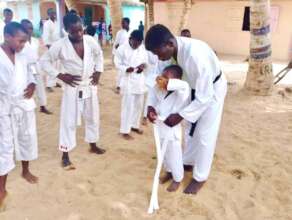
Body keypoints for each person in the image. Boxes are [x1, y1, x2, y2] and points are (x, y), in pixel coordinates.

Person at [145, 24, 227, 194]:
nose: (157, 57)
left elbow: (205, 96)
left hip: (212, 90)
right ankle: (187, 163)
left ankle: (200, 177)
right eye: (154, 54)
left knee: (204, 134)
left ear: (169, 44)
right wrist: (151, 105)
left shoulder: (195, 56)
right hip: (190, 88)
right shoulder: (166, 55)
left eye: (157, 52)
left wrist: (181, 115)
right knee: (190, 130)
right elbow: (157, 83)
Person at [40, 13, 105, 170]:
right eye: (73, 31)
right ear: (66, 30)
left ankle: (93, 144)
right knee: (68, 121)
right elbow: (44, 61)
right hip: (72, 87)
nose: (78, 34)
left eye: (80, 30)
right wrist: (60, 75)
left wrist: (98, 71)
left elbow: (99, 54)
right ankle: (65, 153)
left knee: (93, 117)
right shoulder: (60, 45)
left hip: (89, 84)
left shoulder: (89, 40)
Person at [0, 22, 39, 208]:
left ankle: (25, 170)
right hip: (4, 108)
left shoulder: (23, 55)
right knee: (5, 147)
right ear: (7, 36)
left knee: (27, 137)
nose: (23, 44)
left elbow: (32, 71)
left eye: (25, 41)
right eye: (20, 40)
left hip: (24, 104)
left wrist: (33, 83)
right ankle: (2, 190)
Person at [150, 65, 190, 192]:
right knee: (163, 153)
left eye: (166, 79)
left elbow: (183, 85)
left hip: (172, 129)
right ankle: (168, 172)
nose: (162, 81)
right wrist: (150, 109)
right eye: (162, 76)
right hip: (160, 126)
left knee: (174, 154)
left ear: (176, 80)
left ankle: (177, 178)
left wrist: (169, 83)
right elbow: (152, 99)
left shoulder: (183, 90)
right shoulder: (159, 89)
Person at [114, 30, 148, 140]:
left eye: (139, 43)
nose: (137, 45)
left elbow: (146, 61)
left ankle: (134, 125)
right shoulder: (122, 48)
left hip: (139, 80)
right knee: (128, 106)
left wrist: (143, 66)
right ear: (130, 39)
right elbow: (117, 63)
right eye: (135, 43)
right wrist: (125, 68)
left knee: (139, 104)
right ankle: (124, 130)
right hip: (128, 79)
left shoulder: (142, 48)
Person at [21, 19, 52, 115]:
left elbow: (37, 55)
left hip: (35, 65)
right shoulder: (20, 42)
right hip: (25, 67)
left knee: (40, 86)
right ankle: (25, 107)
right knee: (26, 87)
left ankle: (43, 106)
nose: (29, 30)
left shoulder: (35, 41)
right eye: (26, 28)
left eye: (30, 28)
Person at [42, 8, 61, 92]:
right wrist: (49, 47)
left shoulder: (57, 23)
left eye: (54, 13)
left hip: (58, 45)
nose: (54, 14)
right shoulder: (47, 24)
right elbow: (45, 37)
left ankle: (55, 82)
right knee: (51, 66)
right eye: (52, 13)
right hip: (51, 46)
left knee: (58, 65)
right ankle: (48, 85)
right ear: (49, 15)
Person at [112, 17, 130, 94]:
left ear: (128, 23)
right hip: (122, 54)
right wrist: (116, 52)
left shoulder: (131, 32)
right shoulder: (119, 33)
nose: (122, 24)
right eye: (121, 23)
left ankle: (126, 86)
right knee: (121, 70)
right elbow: (116, 44)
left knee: (128, 71)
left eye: (123, 23)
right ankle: (118, 86)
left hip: (130, 54)